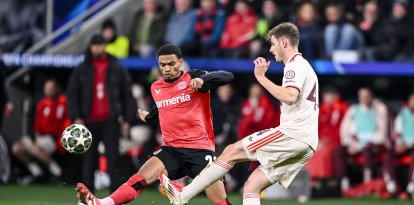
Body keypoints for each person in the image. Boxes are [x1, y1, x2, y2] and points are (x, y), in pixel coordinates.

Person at [161, 22, 319, 205]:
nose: (271, 49)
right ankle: (183, 194)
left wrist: (260, 78)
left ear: (284, 42)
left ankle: (183, 195)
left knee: (231, 151)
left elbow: (290, 96)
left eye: (273, 44)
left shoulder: (294, 65)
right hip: (307, 142)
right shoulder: (303, 66)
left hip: (294, 134)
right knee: (252, 185)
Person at [76, 44, 234, 205]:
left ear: (180, 62)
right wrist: (149, 117)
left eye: (171, 64)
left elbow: (227, 76)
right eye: (162, 65)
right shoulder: (156, 87)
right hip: (171, 150)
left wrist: (203, 79)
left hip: (200, 150)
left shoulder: (193, 77)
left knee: (220, 202)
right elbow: (160, 109)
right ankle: (103, 203)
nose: (166, 69)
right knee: (139, 179)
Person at [67, 34, 136, 193]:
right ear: (91, 47)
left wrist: (127, 118)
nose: (97, 48)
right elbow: (73, 94)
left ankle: (115, 196)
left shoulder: (116, 67)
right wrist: (76, 116)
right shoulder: (82, 68)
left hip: (111, 119)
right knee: (88, 160)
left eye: (100, 45)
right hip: (88, 120)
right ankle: (87, 196)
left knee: (114, 158)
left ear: (105, 46)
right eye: (95, 45)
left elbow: (127, 94)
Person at [12, 79, 70, 179]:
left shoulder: (64, 102)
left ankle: (58, 173)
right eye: (47, 89)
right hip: (40, 137)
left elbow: (67, 123)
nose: (49, 92)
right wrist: (37, 139)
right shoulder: (42, 104)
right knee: (17, 148)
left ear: (56, 89)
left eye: (51, 89)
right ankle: (36, 173)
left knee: (35, 149)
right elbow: (37, 127)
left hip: (54, 138)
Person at [336, 87, 388, 191]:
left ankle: (367, 183)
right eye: (362, 96)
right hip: (354, 144)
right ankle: (344, 184)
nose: (365, 98)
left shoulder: (379, 109)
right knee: (339, 152)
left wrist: (360, 146)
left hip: (371, 145)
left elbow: (382, 134)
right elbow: (344, 130)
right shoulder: (353, 110)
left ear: (372, 97)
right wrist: (351, 144)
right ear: (359, 98)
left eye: (367, 96)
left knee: (367, 150)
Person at [384, 92, 414, 197]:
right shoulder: (403, 113)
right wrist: (400, 144)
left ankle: (411, 187)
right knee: (388, 154)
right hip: (402, 145)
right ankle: (391, 186)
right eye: (412, 101)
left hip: (411, 146)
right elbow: (397, 131)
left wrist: (408, 144)